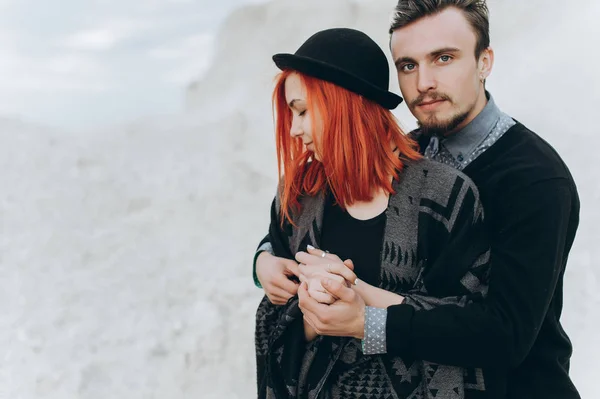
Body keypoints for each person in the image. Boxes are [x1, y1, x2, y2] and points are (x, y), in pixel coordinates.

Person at [254, 1, 581, 398]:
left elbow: (505, 335)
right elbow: (311, 219)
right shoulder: (409, 155)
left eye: (444, 58)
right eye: (408, 65)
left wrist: (365, 319)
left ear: (484, 61)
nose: (423, 81)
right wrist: (264, 260)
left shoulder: (535, 180)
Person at [255, 27, 492, 398]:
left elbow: (473, 324)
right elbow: (273, 322)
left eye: (302, 111)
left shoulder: (445, 196)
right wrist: (308, 310)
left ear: (345, 106)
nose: (295, 129)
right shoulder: (298, 196)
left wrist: (357, 298)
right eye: (291, 113)